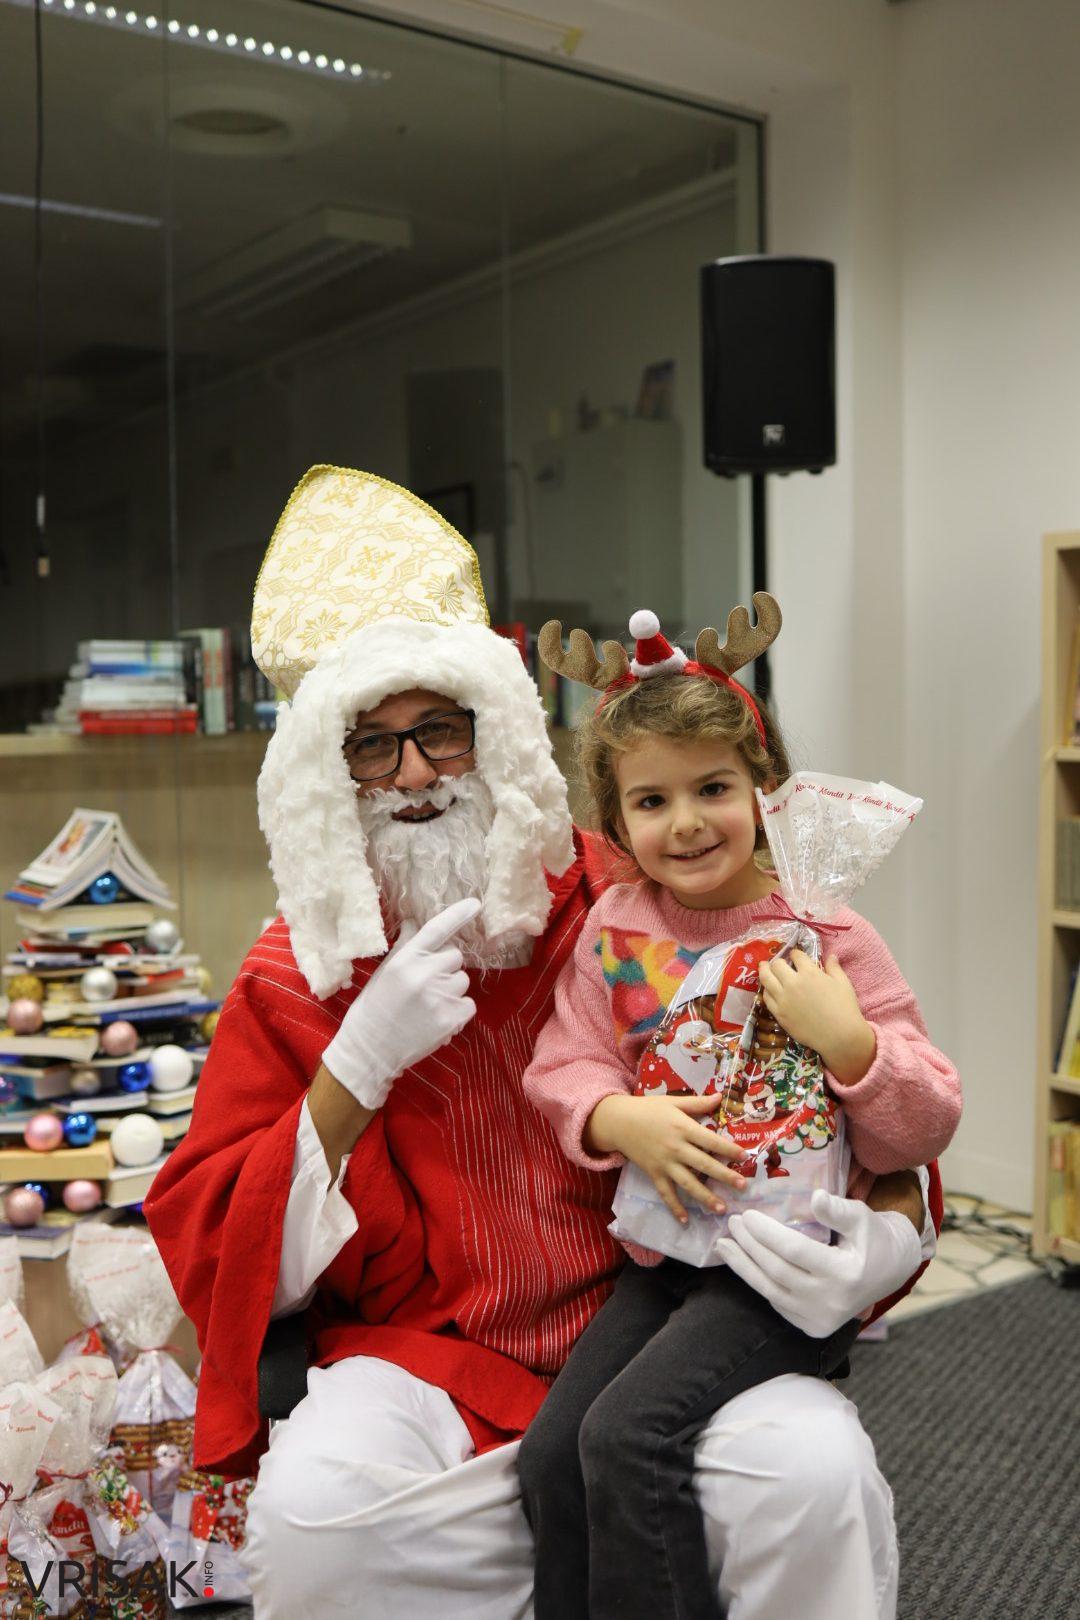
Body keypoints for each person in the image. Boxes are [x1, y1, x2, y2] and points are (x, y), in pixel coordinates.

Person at [143, 466, 942, 1620]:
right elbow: (215, 1238)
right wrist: (352, 1072)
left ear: (499, 734)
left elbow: (867, 1101)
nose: (413, 775)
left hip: (670, 1303)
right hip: (428, 1354)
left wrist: (889, 1241)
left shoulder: (641, 894)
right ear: (330, 776)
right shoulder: (297, 972)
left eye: (439, 732)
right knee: (314, 1515)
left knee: (809, 1480)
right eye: (372, 748)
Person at [517, 606, 961, 1620]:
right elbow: (564, 1064)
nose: (687, 823)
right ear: (614, 819)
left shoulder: (826, 926)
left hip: (780, 1271)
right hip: (665, 1253)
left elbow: (926, 1122)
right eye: (651, 800)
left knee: (629, 1438)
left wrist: (850, 1044)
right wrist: (617, 1121)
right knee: (553, 1457)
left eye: (713, 788)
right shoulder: (618, 929)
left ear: (767, 788)